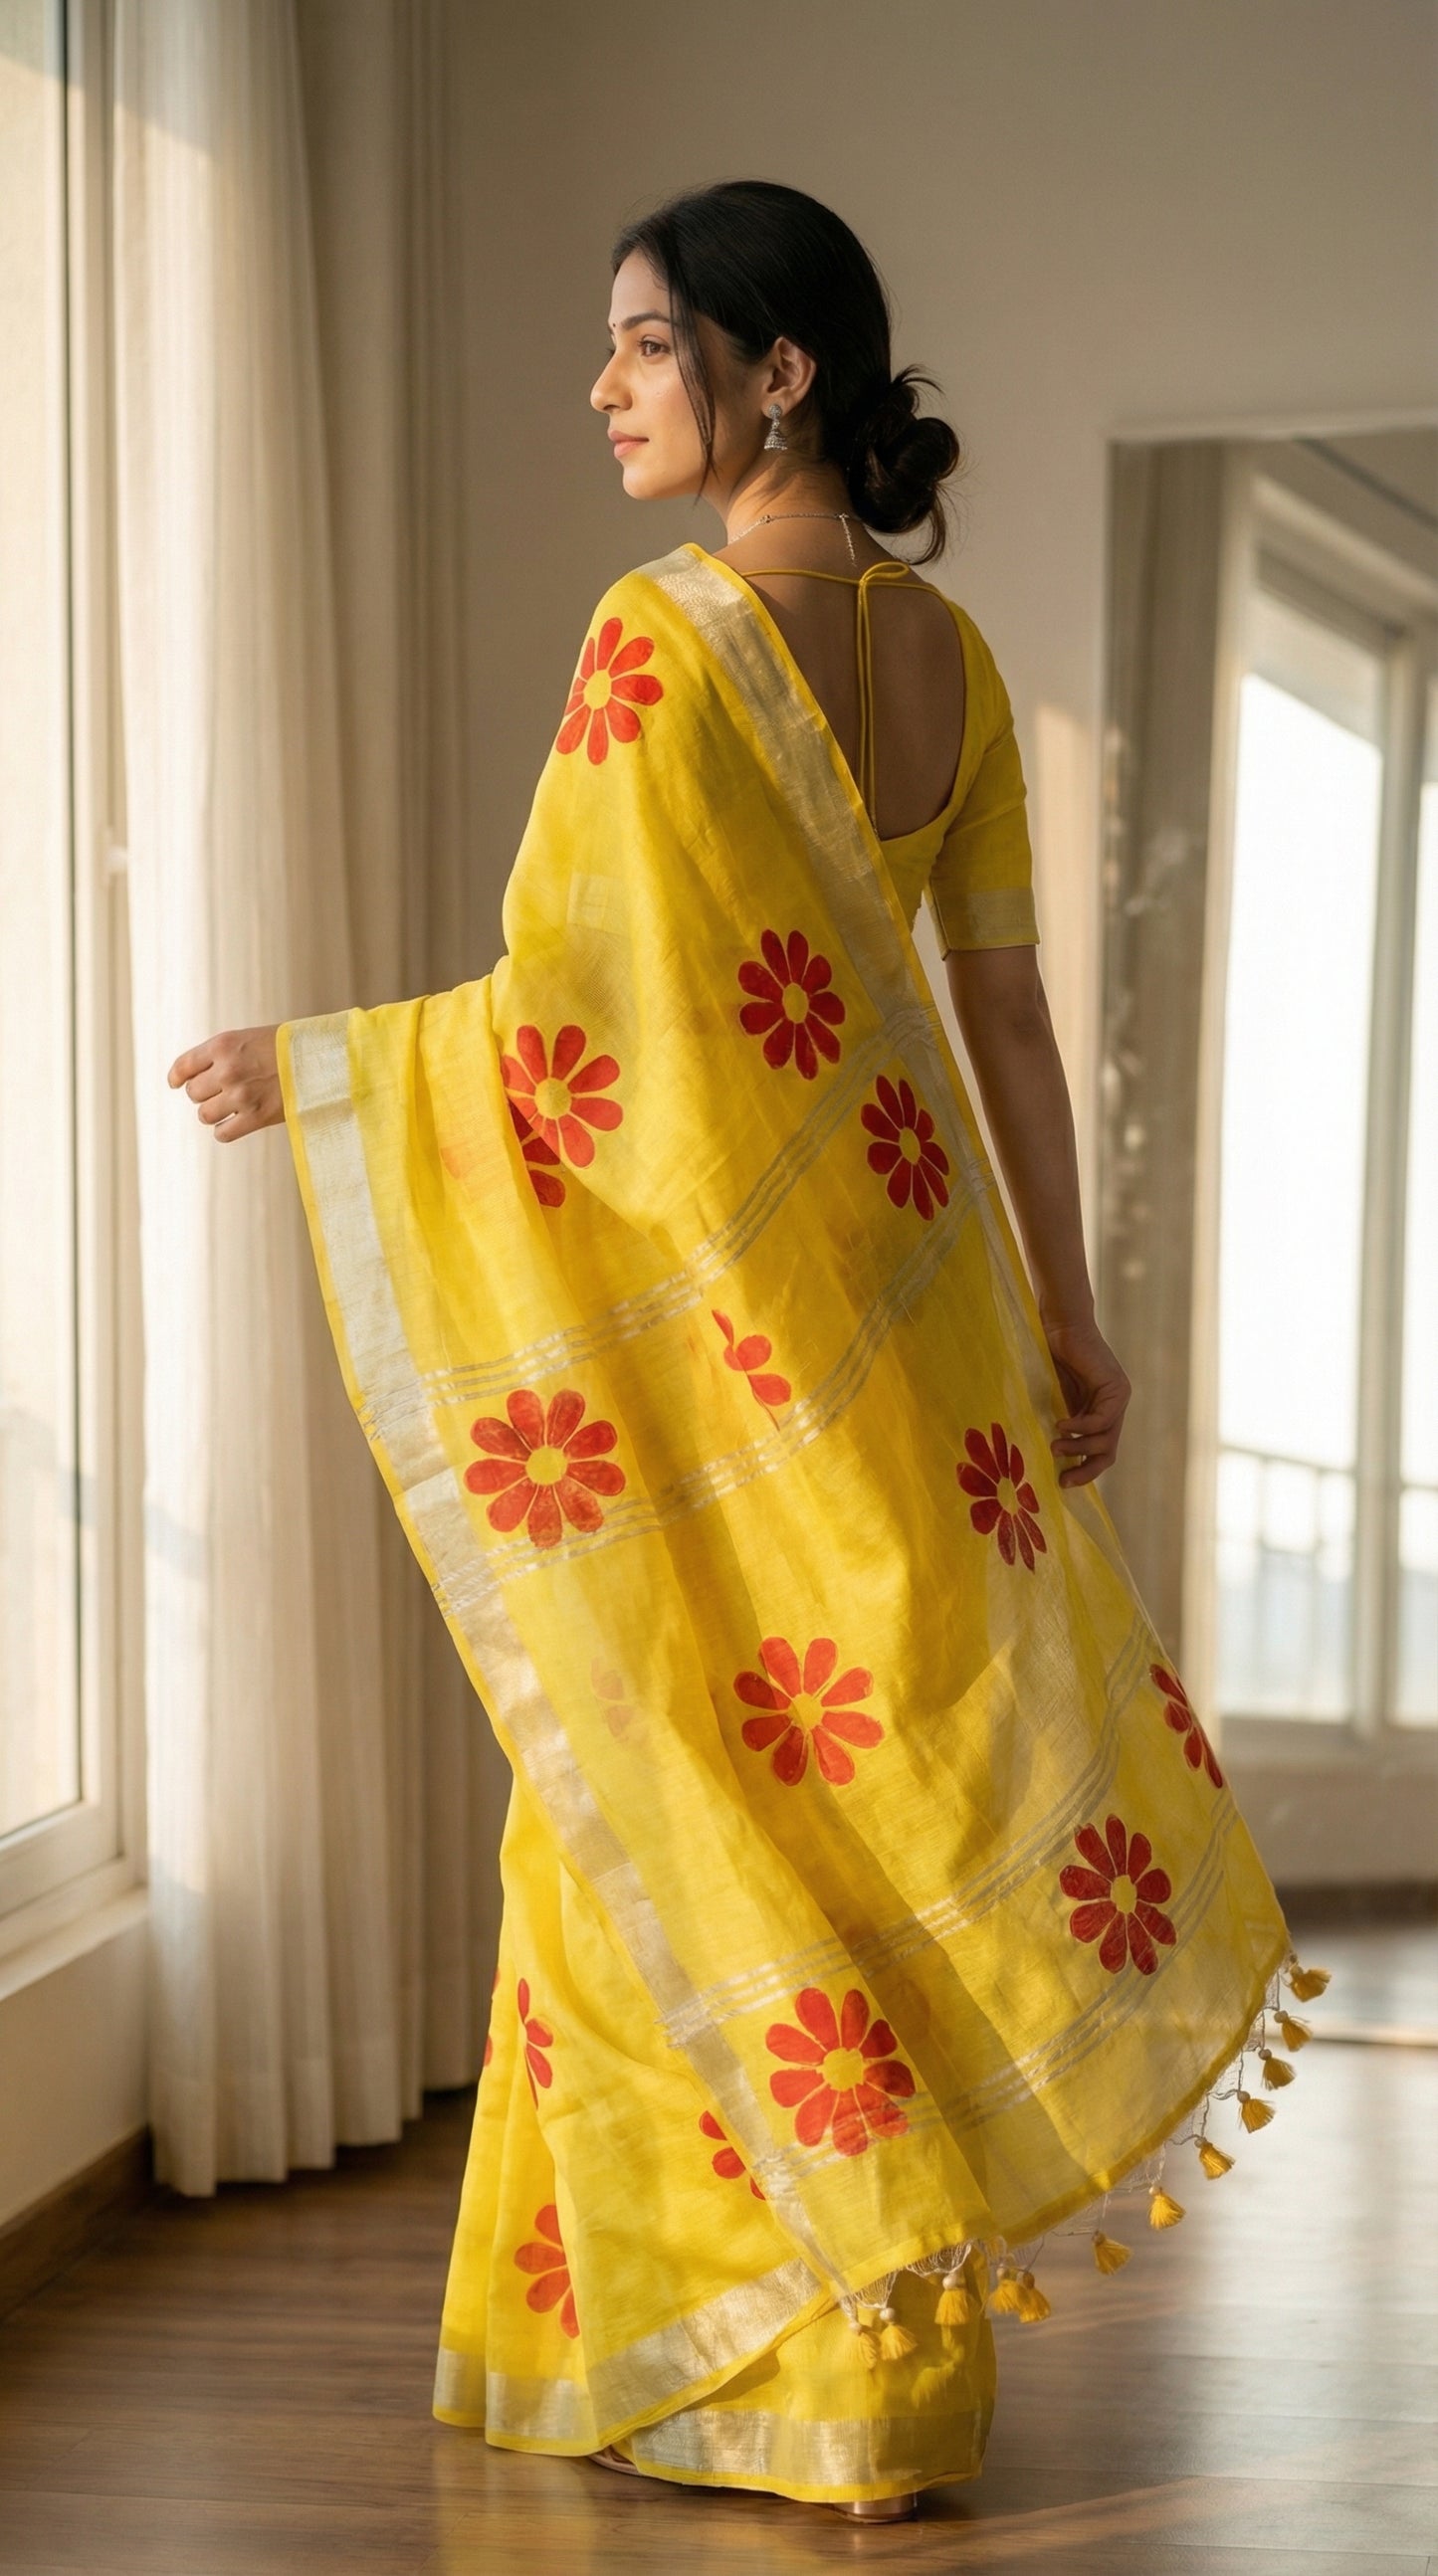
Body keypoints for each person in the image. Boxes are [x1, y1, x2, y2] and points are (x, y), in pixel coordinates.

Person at [168, 180, 1324, 2523]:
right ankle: (877, 2373)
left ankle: (735, 2369)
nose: (601, 386)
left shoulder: (661, 642)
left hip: (734, 1354)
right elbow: (1007, 1017)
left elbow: (578, 1017)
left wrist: (325, 1069)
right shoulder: (950, 660)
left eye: (639, 343)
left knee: (662, 1816)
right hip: (916, 1337)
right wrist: (1069, 1315)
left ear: (774, 368)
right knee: (857, 1811)